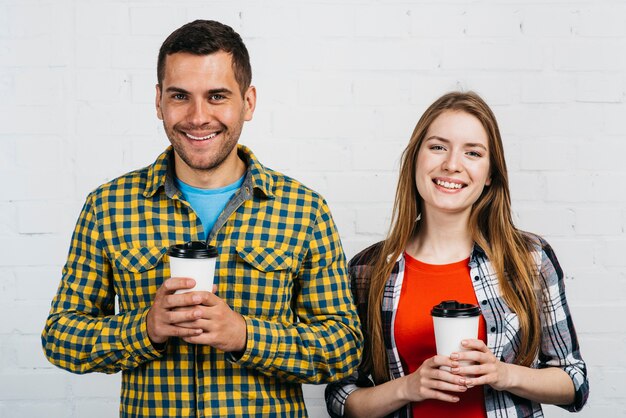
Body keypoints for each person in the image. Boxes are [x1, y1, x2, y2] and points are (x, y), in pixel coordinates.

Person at [42, 20, 362, 417]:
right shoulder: (108, 207)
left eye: (216, 96)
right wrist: (144, 328)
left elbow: (343, 347)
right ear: (158, 101)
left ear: (248, 102)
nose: (197, 117)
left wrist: (245, 336)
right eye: (180, 96)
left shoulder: (304, 210)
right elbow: (60, 336)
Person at [325, 91, 589, 418]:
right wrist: (407, 387)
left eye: (473, 153)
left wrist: (504, 374)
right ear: (415, 160)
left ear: (490, 174)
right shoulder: (368, 270)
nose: (452, 164)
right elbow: (341, 398)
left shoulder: (529, 260)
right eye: (438, 147)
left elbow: (574, 381)